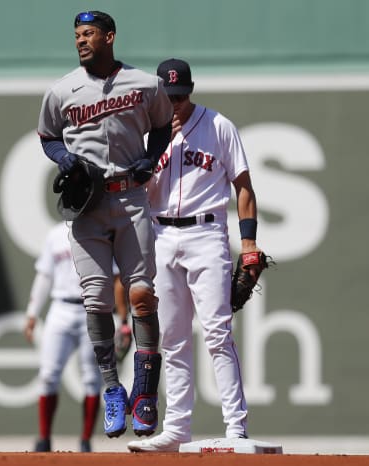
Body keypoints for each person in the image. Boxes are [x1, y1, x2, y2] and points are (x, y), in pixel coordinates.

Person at [37, 11, 174, 439]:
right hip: (87, 204)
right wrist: (64, 158)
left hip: (131, 197)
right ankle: (113, 389)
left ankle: (146, 393)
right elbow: (47, 135)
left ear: (109, 37)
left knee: (141, 294)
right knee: (95, 300)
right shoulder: (62, 90)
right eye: (77, 34)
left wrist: (151, 161)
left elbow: (162, 127)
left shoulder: (145, 84)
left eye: (89, 33)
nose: (81, 40)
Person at [127, 58, 260, 452]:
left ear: (191, 90)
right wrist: (152, 155)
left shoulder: (219, 126)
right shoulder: (147, 133)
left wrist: (249, 243)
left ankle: (236, 428)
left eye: (181, 95)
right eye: (169, 97)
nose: (176, 103)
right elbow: (139, 193)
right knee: (173, 337)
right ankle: (177, 429)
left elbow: (244, 186)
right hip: (161, 233)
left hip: (206, 233)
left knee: (218, 332)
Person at [24, 221, 129, 452]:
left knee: (92, 379)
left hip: (92, 310)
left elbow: (117, 280)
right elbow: (44, 276)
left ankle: (85, 440)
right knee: (48, 375)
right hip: (60, 308)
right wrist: (32, 313)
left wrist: (122, 320)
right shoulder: (55, 234)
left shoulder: (103, 231)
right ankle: (44, 439)